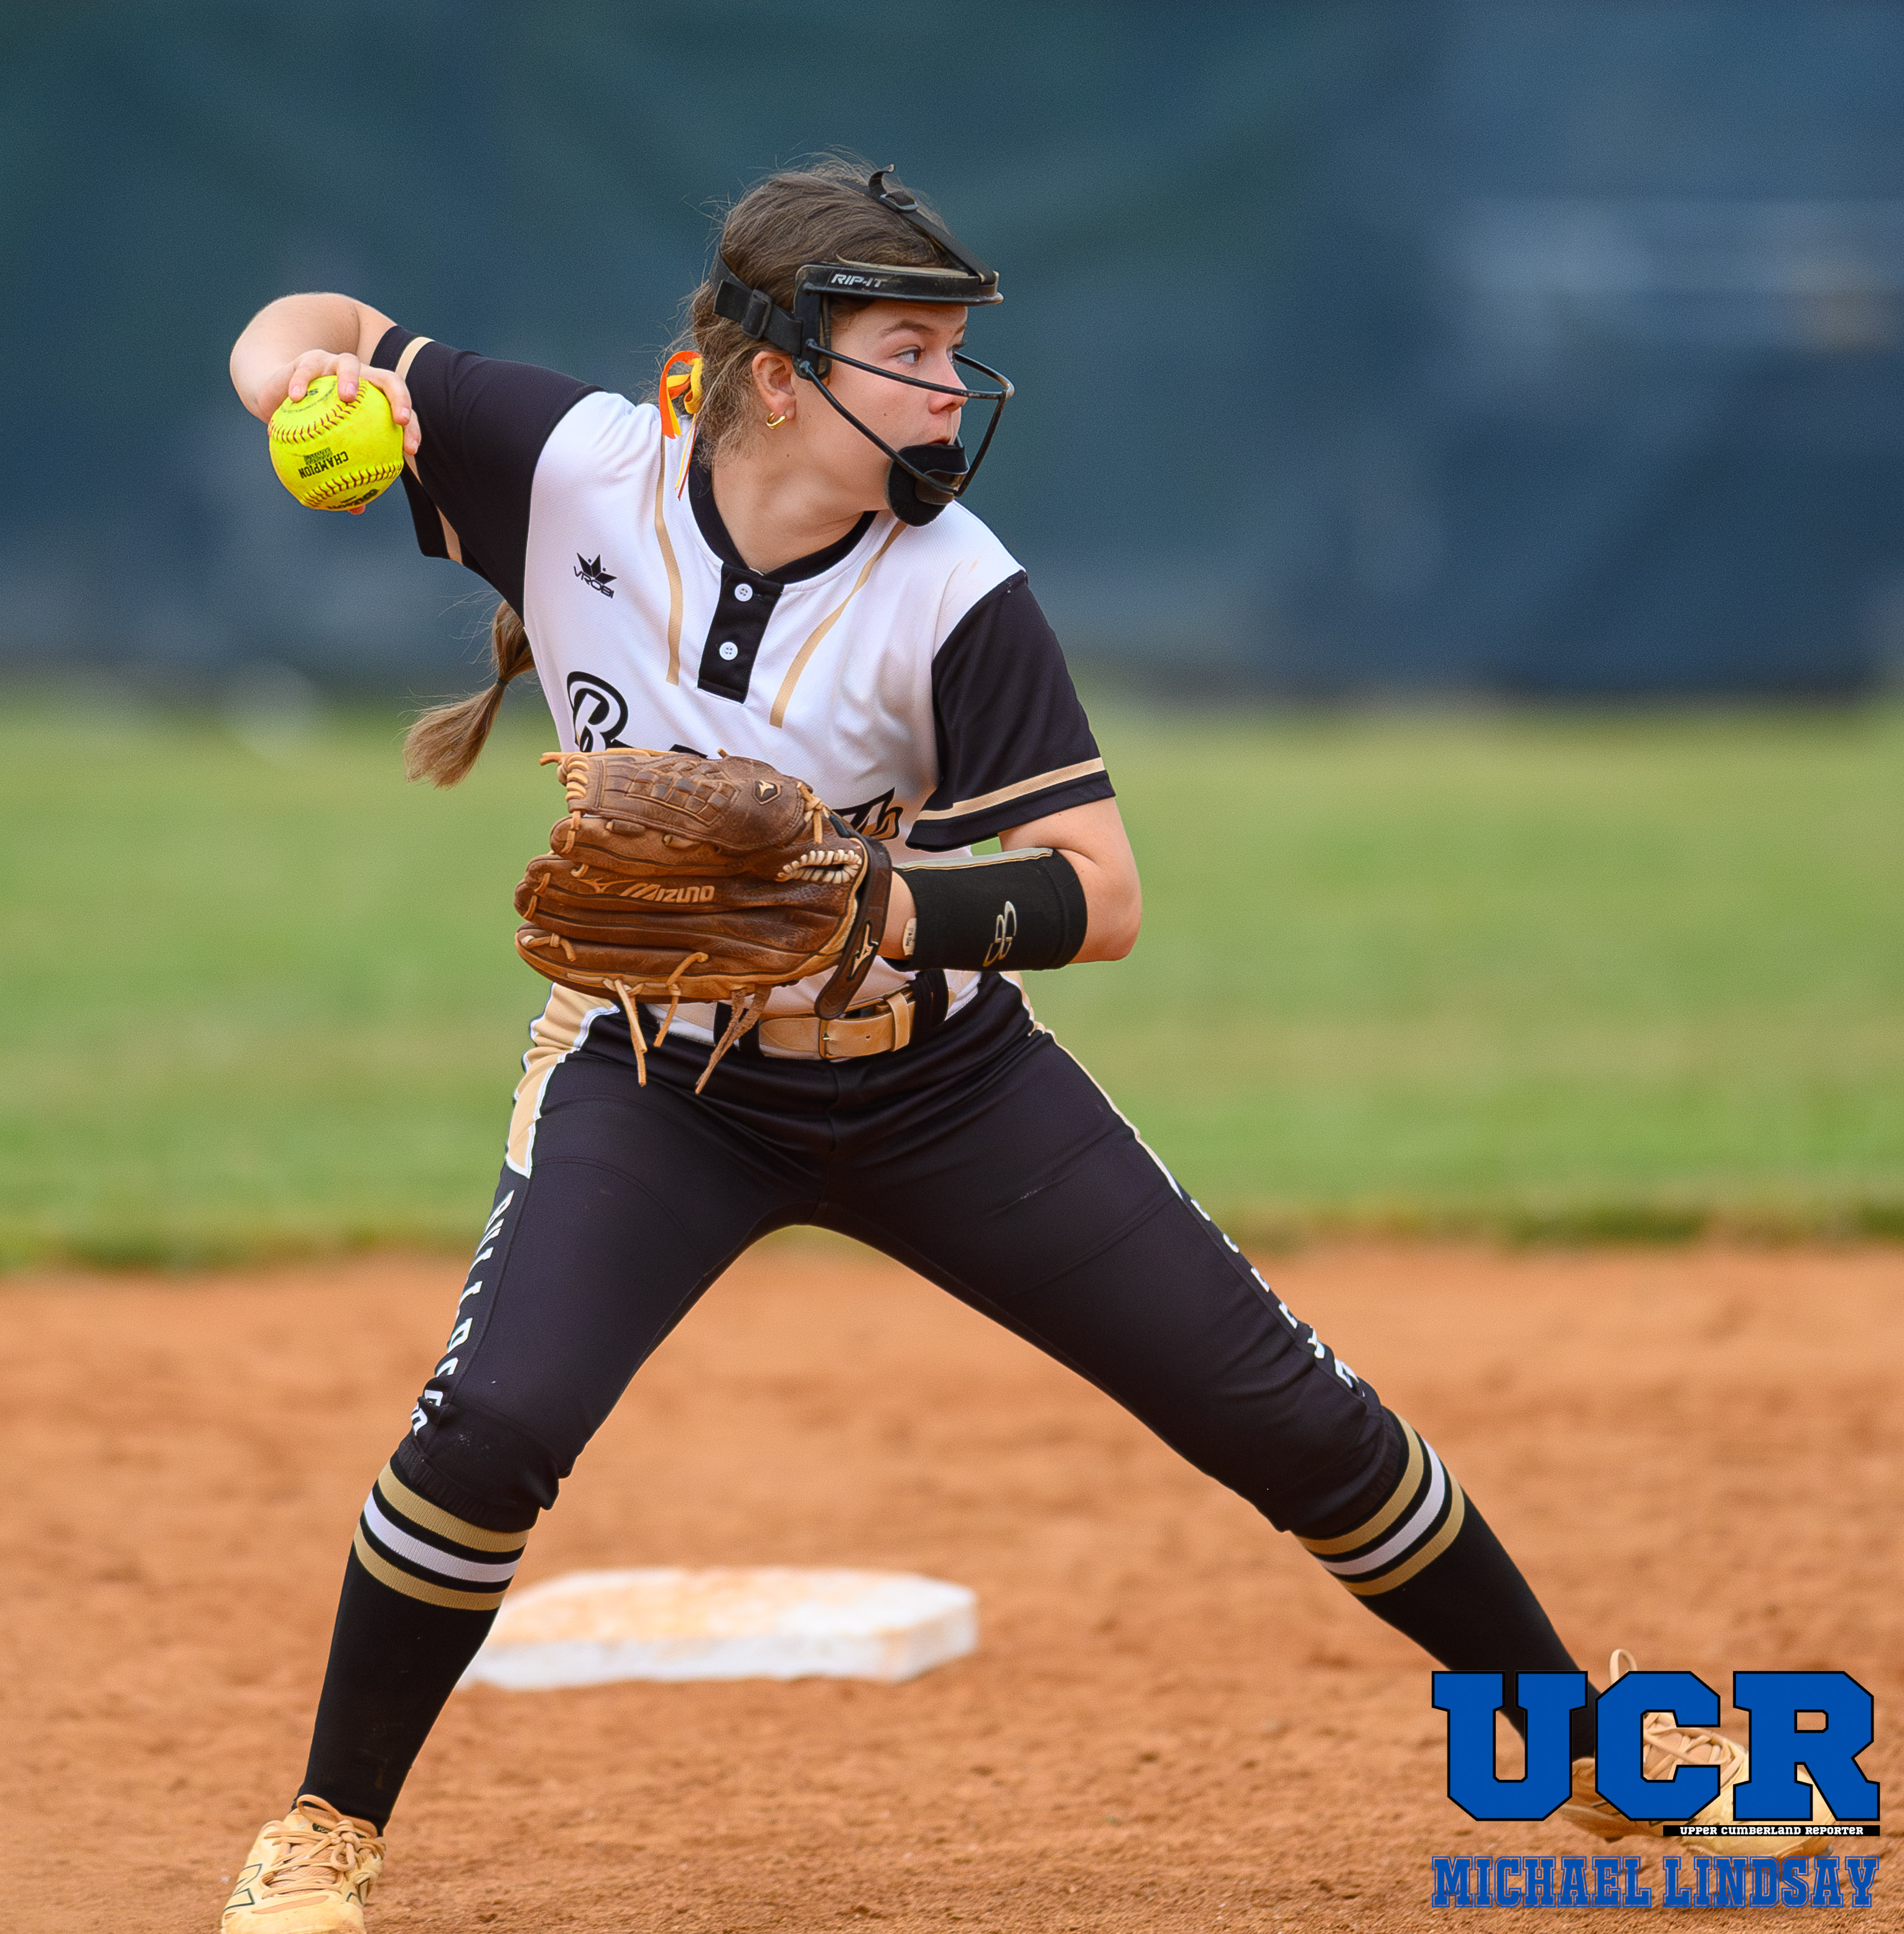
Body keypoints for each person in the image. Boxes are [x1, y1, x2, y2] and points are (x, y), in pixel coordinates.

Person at [221, 159, 1818, 1932]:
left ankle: (1584, 1744)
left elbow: (1100, 894)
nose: (947, 391)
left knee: (1290, 1420)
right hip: (657, 1077)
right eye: (906, 353)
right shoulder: (574, 467)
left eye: (951, 352)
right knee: (494, 1424)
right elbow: (308, 326)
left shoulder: (953, 589)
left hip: (941, 1085)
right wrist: (309, 380)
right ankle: (323, 1830)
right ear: (777, 377)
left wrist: (871, 906)